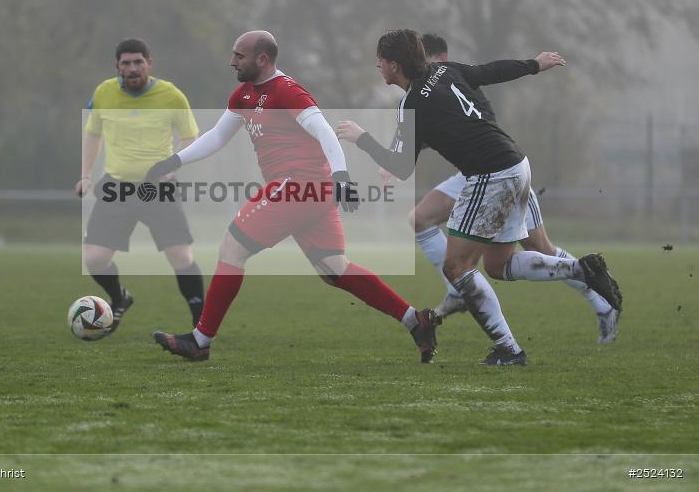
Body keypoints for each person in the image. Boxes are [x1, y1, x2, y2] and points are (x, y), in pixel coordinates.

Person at [148, 30, 439, 363]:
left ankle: (200, 340)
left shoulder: (287, 91)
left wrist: (342, 174)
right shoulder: (243, 94)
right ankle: (413, 320)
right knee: (333, 268)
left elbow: (323, 130)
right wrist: (174, 161)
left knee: (232, 247)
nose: (232, 61)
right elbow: (216, 137)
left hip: (298, 185)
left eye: (239, 56)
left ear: (263, 59)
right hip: (313, 191)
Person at [336, 29, 622, 366]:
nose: (378, 66)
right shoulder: (446, 70)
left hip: (492, 175)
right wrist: (533, 64)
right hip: (517, 164)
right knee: (497, 266)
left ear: (394, 64)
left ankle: (510, 349)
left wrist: (362, 138)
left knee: (457, 266)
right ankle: (581, 269)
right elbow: (490, 71)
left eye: (380, 61)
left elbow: (400, 167)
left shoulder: (411, 103)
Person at [408, 34, 619, 343]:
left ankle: (601, 302)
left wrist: (534, 64)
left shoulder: (451, 79)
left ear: (437, 59)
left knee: (539, 249)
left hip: (499, 174)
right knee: (421, 219)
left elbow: (491, 74)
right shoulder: (435, 91)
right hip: (473, 177)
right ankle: (459, 287)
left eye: (425, 63)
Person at [76, 38, 205, 331]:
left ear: (149, 62)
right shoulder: (103, 93)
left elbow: (190, 138)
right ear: (117, 66)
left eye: (138, 62)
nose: (132, 68)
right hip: (116, 187)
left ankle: (201, 324)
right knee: (94, 259)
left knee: (181, 256)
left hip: (158, 189)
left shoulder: (171, 95)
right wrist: (85, 174)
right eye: (126, 63)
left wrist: (172, 167)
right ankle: (119, 297)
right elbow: (93, 135)